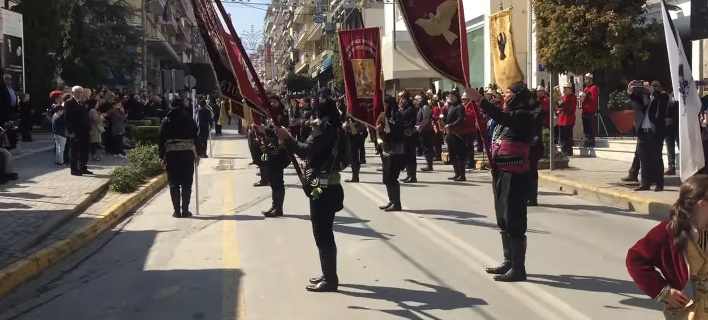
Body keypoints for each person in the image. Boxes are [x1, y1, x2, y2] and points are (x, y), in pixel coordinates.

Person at [273, 87, 345, 292]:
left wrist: (287, 136)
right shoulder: (335, 127)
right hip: (325, 184)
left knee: (322, 232)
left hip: (321, 187)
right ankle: (327, 273)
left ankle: (331, 280)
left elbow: (304, 151)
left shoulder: (325, 129)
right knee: (323, 231)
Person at [469, 82, 534, 282]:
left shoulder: (523, 115)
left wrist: (480, 100)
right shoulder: (508, 119)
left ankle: (518, 268)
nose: (505, 96)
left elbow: (503, 117)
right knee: (503, 218)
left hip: (515, 174)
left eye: (508, 93)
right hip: (502, 173)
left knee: (514, 218)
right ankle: (508, 261)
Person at [626, 174, 708, 319]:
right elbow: (635, 259)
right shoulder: (669, 232)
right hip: (687, 313)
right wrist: (664, 291)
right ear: (703, 204)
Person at [159, 98, 200, 218]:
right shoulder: (190, 120)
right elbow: (196, 138)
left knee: (174, 183)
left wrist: (161, 156)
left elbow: (161, 140)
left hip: (172, 155)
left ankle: (177, 211)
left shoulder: (166, 121)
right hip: (187, 154)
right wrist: (198, 154)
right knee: (187, 183)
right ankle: (185, 210)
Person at [629, 80, 667, 192]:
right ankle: (645, 183)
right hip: (642, 132)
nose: (653, 87)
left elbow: (661, 102)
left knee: (656, 159)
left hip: (655, 133)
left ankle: (659, 183)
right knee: (643, 159)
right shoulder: (644, 96)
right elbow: (634, 99)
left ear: (660, 88)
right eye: (652, 86)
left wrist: (651, 91)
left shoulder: (662, 97)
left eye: (656, 86)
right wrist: (630, 89)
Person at [256, 96, 291, 217]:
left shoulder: (281, 117)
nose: (272, 104)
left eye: (275, 102)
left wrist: (265, 130)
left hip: (279, 153)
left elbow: (279, 133)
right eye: (270, 102)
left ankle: (279, 208)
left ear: (280, 103)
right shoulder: (269, 117)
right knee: (272, 181)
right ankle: (274, 205)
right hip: (271, 152)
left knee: (277, 180)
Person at [377, 95, 405, 212]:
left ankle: (397, 204)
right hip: (385, 148)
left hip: (395, 149)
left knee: (392, 177)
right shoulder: (383, 114)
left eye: (385, 104)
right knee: (386, 178)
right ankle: (391, 200)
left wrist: (389, 125)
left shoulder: (396, 114)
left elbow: (398, 131)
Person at [64, 86, 93, 176]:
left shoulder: (82, 103)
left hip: (84, 131)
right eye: (78, 92)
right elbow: (67, 118)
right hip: (75, 131)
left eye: (81, 92)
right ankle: (74, 169)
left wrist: (89, 127)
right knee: (75, 151)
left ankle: (83, 167)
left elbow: (85, 117)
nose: (80, 94)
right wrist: (71, 132)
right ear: (73, 93)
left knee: (85, 150)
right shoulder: (69, 103)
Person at [527, 89, 545, 206]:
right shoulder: (528, 110)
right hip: (527, 144)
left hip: (534, 145)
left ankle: (532, 197)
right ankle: (526, 195)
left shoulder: (538, 110)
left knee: (532, 172)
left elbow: (532, 122)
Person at [444, 90, 467, 181]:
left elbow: (461, 119)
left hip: (457, 134)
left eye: (452, 96)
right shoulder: (451, 107)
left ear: (456, 97)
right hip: (450, 133)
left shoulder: (459, 107)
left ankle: (462, 175)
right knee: (452, 154)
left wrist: (451, 125)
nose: (450, 97)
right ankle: (457, 173)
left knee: (459, 155)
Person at [399, 91, 418, 183]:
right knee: (406, 156)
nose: (401, 101)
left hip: (409, 135)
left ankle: (413, 176)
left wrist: (403, 126)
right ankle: (408, 174)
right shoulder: (403, 109)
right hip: (403, 135)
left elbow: (412, 122)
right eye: (400, 99)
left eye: (403, 99)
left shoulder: (411, 109)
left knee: (411, 156)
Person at [556, 83, 577, 156]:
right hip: (561, 119)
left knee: (568, 136)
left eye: (566, 89)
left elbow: (571, 109)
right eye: (564, 89)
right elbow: (559, 107)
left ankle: (568, 151)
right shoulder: (563, 97)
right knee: (562, 137)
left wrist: (563, 105)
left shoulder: (573, 97)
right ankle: (564, 150)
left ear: (570, 90)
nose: (564, 90)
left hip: (568, 120)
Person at [579, 73, 598, 147]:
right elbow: (583, 100)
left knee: (590, 127)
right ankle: (586, 141)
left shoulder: (594, 88)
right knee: (586, 127)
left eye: (587, 78)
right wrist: (580, 100)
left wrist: (586, 96)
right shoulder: (585, 89)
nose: (585, 80)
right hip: (584, 110)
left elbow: (594, 99)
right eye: (585, 78)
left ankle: (591, 141)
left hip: (590, 110)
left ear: (591, 79)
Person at [416, 94, 435, 172]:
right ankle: (428, 164)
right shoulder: (421, 107)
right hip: (422, 130)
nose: (418, 100)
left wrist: (420, 128)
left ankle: (429, 165)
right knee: (424, 147)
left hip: (426, 130)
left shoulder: (425, 107)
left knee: (427, 147)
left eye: (419, 99)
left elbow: (425, 119)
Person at [665, 92, 679, 176]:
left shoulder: (682, 96)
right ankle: (671, 168)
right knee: (670, 148)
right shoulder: (668, 97)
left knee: (681, 147)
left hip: (678, 127)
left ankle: (685, 167)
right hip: (668, 128)